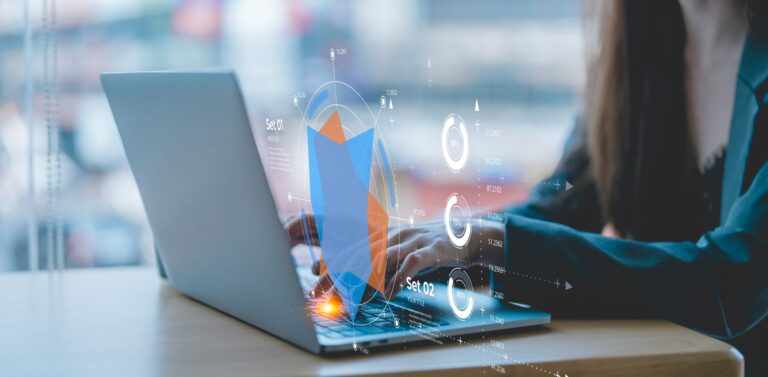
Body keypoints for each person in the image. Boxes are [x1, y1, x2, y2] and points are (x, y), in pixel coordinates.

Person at [286, 0, 768, 375]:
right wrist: (408, 249)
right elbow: (555, 213)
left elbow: (731, 282)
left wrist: (492, 244)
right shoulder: (635, 51)